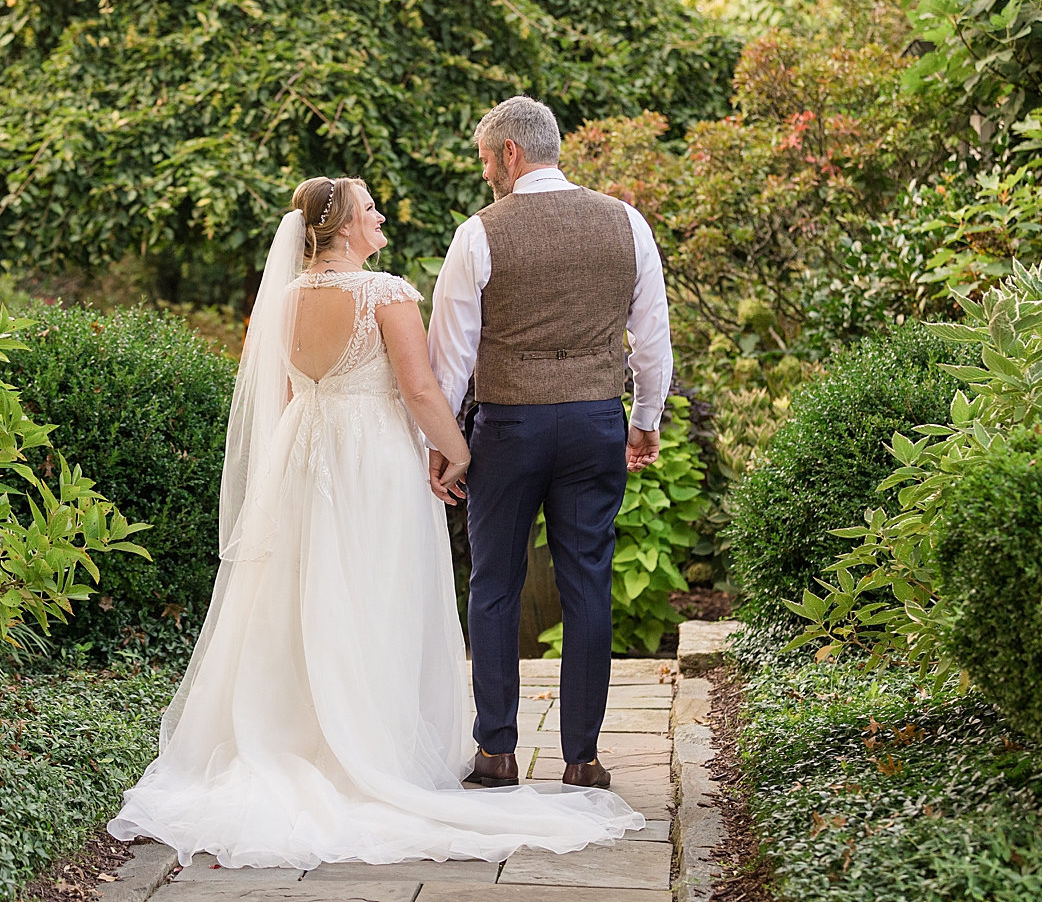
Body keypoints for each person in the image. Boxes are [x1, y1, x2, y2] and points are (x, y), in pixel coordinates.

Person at [107, 172, 642, 871]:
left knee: (301, 598)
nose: (381, 216)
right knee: (376, 595)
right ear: (346, 227)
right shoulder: (385, 293)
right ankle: (377, 747)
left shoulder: (281, 301)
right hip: (373, 460)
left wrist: (284, 462)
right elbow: (421, 389)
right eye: (370, 210)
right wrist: (460, 455)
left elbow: (274, 395)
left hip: (301, 452)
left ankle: (297, 738)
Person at [427, 95, 672, 791]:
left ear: (510, 153)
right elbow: (650, 337)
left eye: (485, 161)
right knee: (588, 582)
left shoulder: (479, 234)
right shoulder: (626, 222)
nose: (486, 176)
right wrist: (645, 419)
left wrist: (442, 442)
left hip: (508, 425)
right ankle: (583, 758)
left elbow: (451, 354)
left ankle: (497, 753)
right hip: (595, 422)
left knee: (495, 583)